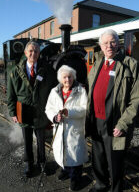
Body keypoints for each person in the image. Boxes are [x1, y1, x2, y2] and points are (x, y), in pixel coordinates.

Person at [86, 29, 139, 192]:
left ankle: (115, 189)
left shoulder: (130, 64)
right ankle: (101, 184)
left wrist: (123, 123)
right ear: (100, 46)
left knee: (115, 161)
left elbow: (136, 99)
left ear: (118, 43)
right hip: (96, 120)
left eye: (113, 42)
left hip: (115, 122)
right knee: (98, 157)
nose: (109, 46)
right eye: (105, 43)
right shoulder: (97, 64)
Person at [7, 40, 56, 177]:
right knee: (27, 138)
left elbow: (56, 87)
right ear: (25, 53)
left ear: (39, 53)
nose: (33, 53)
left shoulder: (47, 70)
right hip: (24, 110)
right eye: (31, 51)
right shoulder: (14, 71)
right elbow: (10, 94)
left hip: (41, 110)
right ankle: (29, 163)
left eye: (36, 51)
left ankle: (42, 162)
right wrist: (12, 112)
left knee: (41, 139)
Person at [45, 65, 88, 191]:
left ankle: (76, 178)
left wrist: (69, 112)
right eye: (64, 77)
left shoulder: (80, 90)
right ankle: (65, 170)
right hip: (60, 129)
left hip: (75, 129)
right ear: (60, 79)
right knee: (61, 151)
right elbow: (49, 108)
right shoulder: (54, 91)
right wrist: (55, 117)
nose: (67, 80)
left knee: (75, 155)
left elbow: (85, 109)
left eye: (70, 77)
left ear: (73, 77)